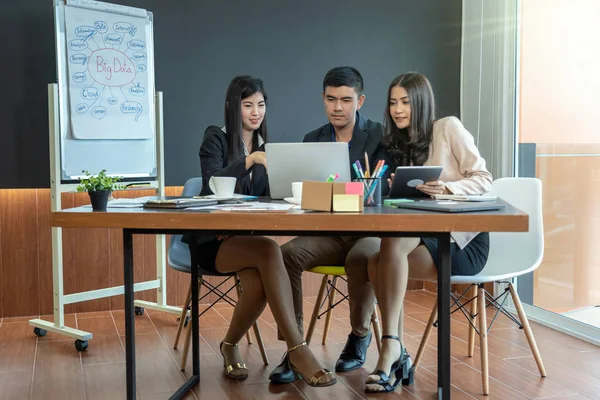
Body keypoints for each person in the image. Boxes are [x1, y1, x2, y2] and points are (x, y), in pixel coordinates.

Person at [193, 75, 336, 387]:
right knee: (271, 250)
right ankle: (298, 350)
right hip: (211, 241)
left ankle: (229, 346)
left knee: (258, 281)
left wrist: (296, 183)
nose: (256, 112)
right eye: (248, 105)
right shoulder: (216, 137)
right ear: (233, 107)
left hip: (247, 241)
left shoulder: (266, 147)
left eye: (260, 105)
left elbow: (268, 195)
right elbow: (210, 183)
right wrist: (251, 159)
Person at [365, 72, 493, 393]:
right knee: (376, 259)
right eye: (393, 102)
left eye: (405, 102)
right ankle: (396, 349)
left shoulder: (446, 127)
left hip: (462, 242)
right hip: (424, 234)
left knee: (383, 258)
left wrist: (446, 186)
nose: (397, 109)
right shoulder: (400, 142)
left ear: (420, 102)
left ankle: (391, 352)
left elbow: (484, 178)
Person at [270, 67, 391, 383]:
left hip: (368, 233)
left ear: (360, 101)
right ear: (323, 100)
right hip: (328, 233)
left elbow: (385, 191)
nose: (338, 107)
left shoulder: (380, 136)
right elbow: (304, 191)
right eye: (331, 99)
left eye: (346, 100)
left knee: (360, 258)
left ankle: (359, 334)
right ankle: (296, 348)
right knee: (286, 254)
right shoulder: (313, 139)